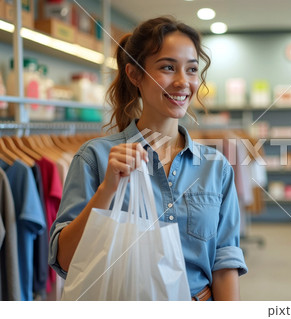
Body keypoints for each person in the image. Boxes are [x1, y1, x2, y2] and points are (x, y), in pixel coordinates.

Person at [48, 16, 247, 301]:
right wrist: (107, 190)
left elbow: (224, 263)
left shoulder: (216, 167)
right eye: (167, 67)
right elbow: (65, 261)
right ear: (135, 75)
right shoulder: (95, 158)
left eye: (192, 70)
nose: (182, 82)